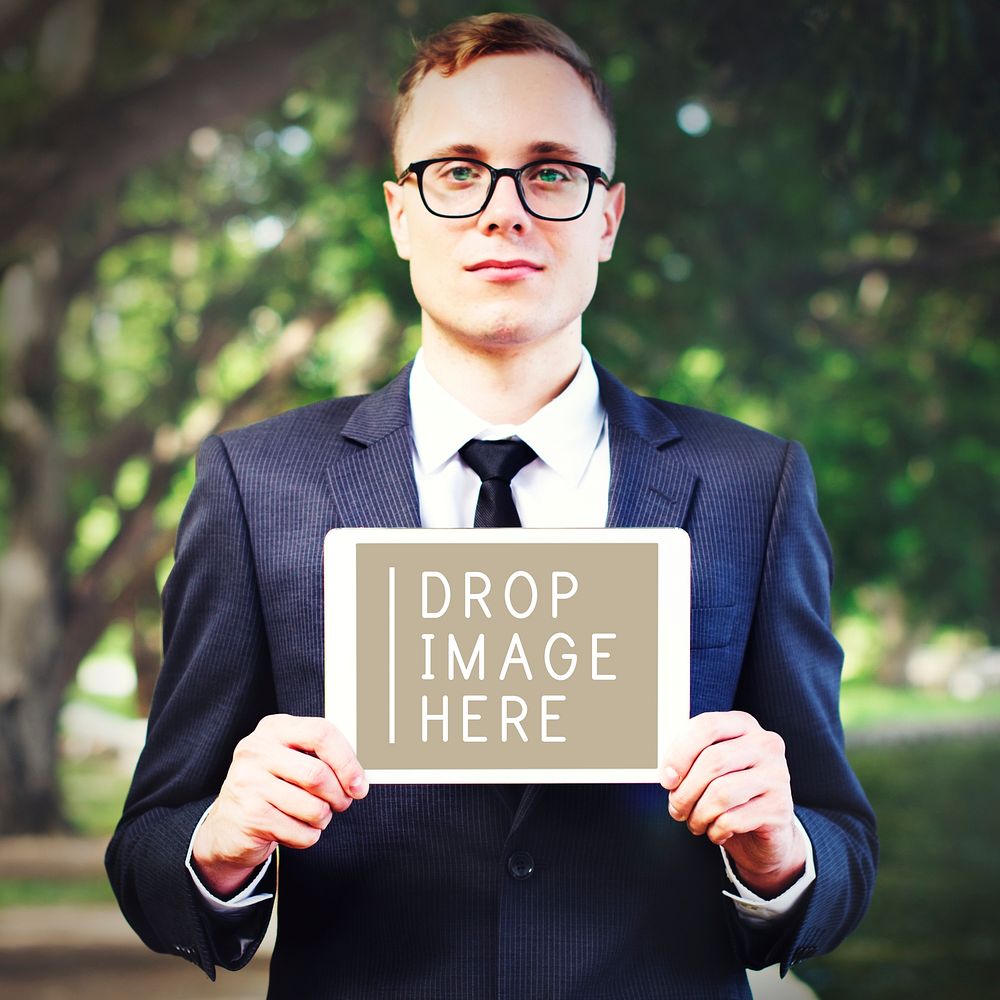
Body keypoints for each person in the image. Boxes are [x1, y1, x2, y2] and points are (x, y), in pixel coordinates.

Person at [106, 12, 876, 999]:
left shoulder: (749, 485)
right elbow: (150, 850)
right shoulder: (257, 485)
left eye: (551, 171)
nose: (503, 210)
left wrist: (779, 853)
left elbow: (841, 847)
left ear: (607, 216)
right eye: (457, 169)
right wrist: (217, 845)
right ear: (398, 212)